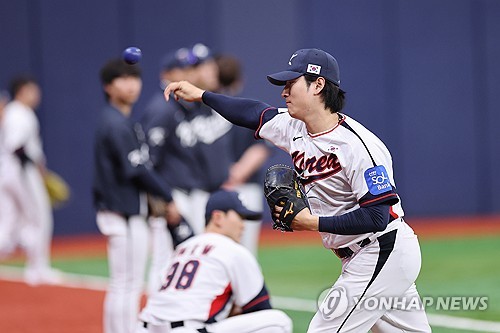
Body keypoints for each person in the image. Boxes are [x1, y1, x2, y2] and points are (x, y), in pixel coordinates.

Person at [163, 48, 431, 332]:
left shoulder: (358, 147)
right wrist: (203, 95)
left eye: (291, 84)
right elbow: (253, 113)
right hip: (364, 257)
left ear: (318, 84)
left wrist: (311, 222)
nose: (284, 92)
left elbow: (378, 216)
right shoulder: (293, 127)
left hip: (381, 251)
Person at [93, 58, 180, 333]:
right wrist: (167, 196)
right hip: (124, 211)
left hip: (120, 209)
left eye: (135, 78)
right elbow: (137, 170)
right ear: (108, 86)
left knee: (123, 282)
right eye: (123, 79)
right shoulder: (115, 123)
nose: (131, 85)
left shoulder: (118, 120)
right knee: (127, 284)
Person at [136, 189, 293, 333]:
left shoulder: (182, 248)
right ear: (218, 217)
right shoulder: (233, 250)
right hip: (186, 330)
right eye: (240, 217)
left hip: (143, 328)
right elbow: (260, 308)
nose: (243, 225)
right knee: (278, 322)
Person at [0, 76, 61, 285]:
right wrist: (35, 169)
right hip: (21, 172)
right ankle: (37, 268)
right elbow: (16, 146)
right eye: (32, 90)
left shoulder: (12, 111)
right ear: (22, 91)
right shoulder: (20, 113)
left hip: (8, 171)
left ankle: (34, 264)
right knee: (40, 218)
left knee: (9, 221)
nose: (37, 94)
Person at [215, 54, 271, 256]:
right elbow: (261, 148)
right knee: (245, 254)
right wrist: (237, 174)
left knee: (215, 253)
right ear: (240, 81)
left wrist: (227, 175)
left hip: (214, 189)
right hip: (244, 189)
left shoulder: (205, 108)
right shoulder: (248, 108)